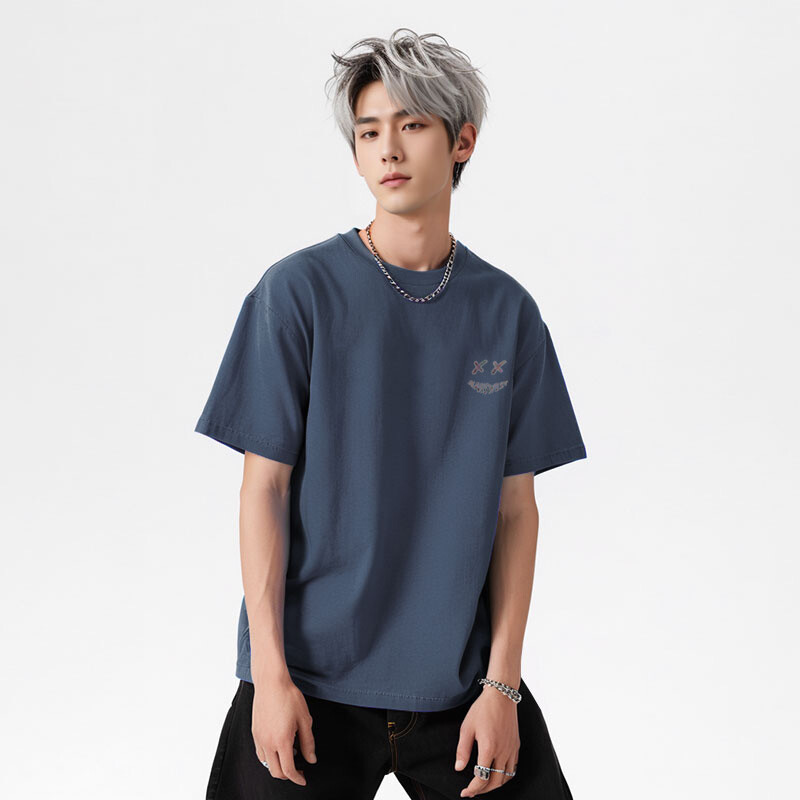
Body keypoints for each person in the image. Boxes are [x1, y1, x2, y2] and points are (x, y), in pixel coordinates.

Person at [195, 27, 587, 800]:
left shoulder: (506, 313)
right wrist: (269, 677)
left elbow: (516, 510)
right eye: (369, 131)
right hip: (308, 680)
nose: (388, 150)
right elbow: (262, 489)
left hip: (459, 686)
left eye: (412, 125)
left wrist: (502, 687)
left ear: (462, 141)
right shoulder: (297, 293)